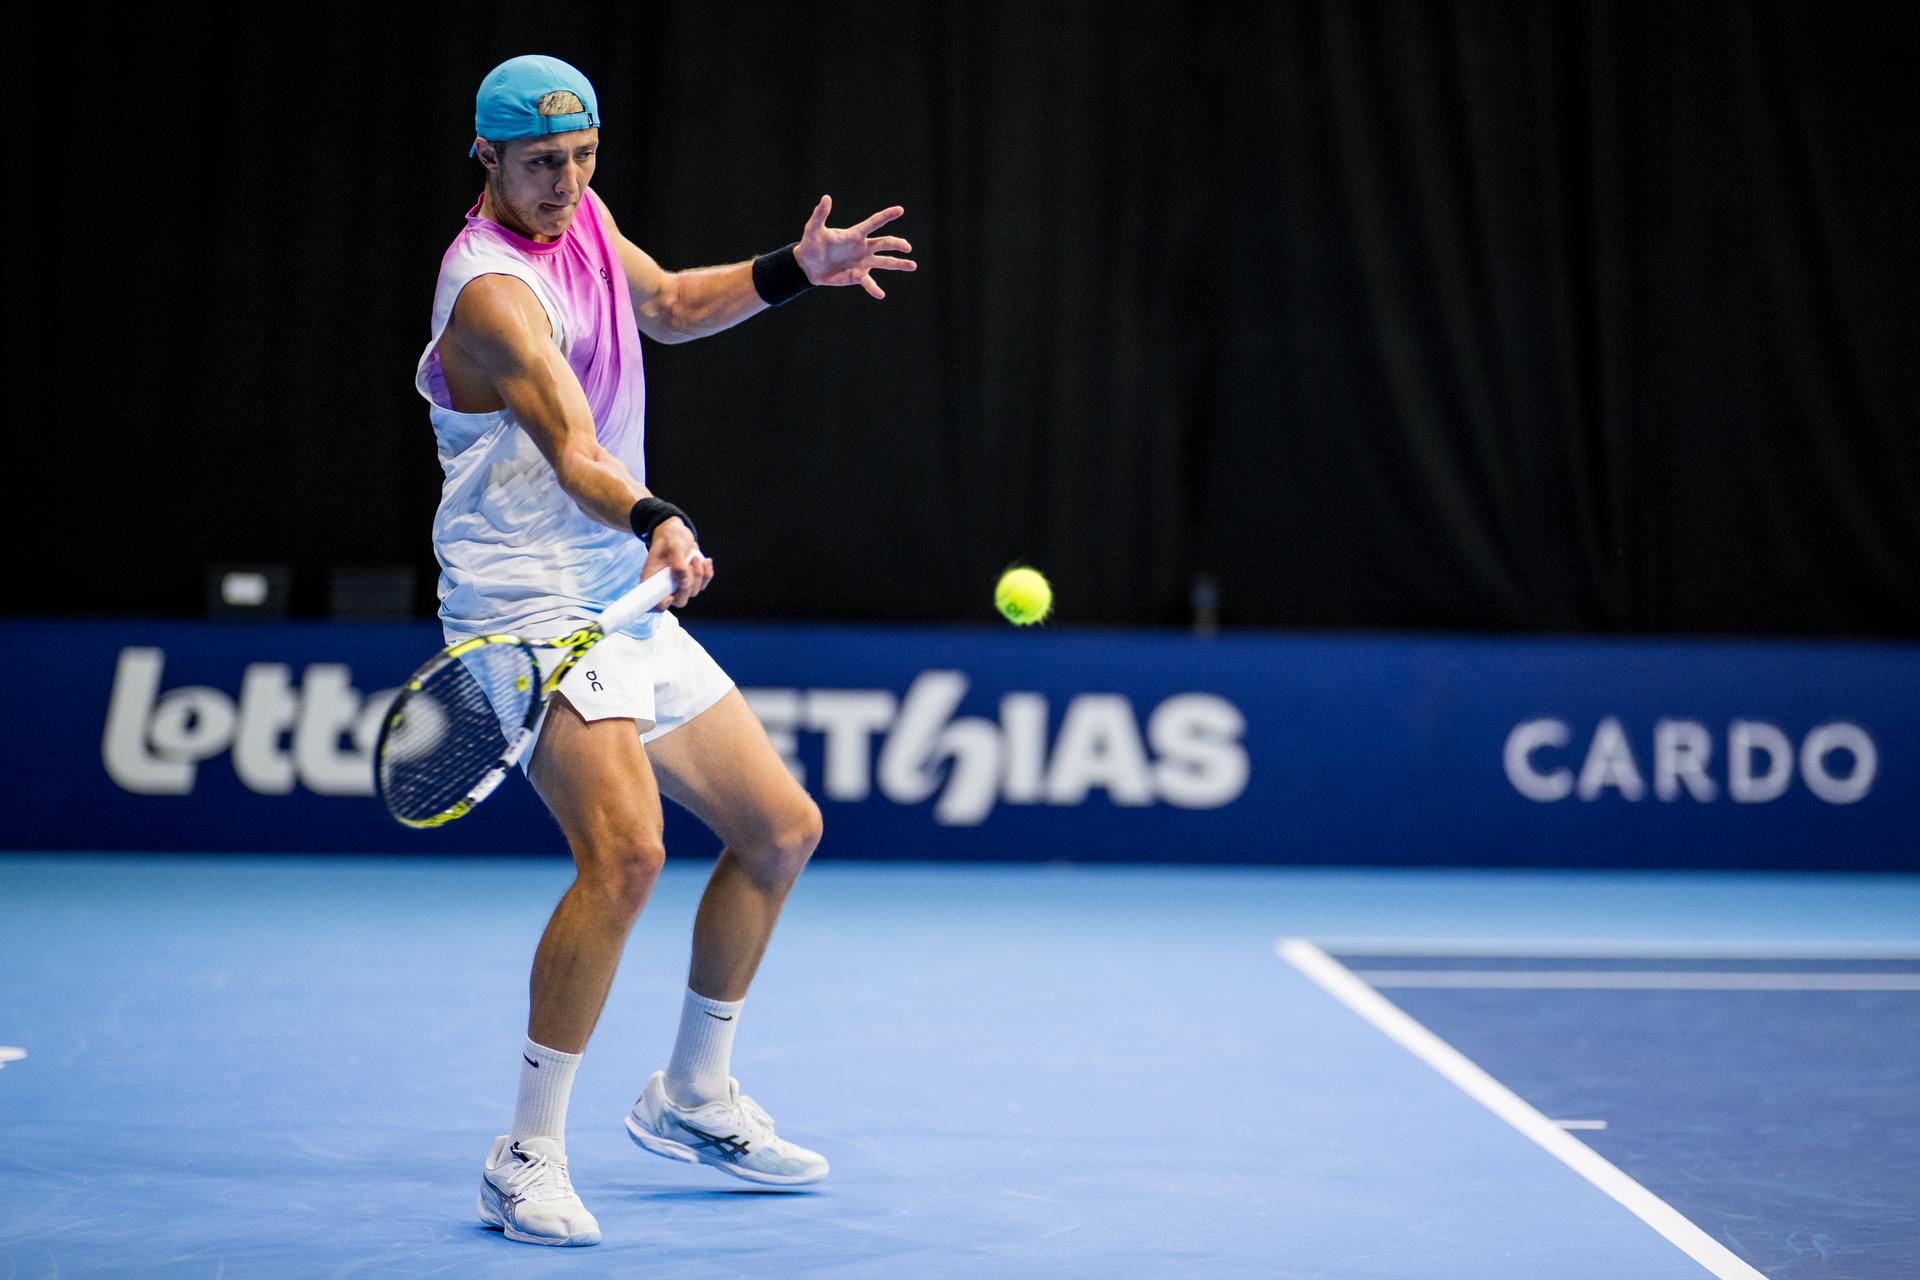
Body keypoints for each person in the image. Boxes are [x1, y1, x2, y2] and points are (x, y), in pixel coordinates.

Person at [411, 54, 915, 1247]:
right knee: (627, 853)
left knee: (781, 827)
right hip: (525, 606)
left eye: (583, 156)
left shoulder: (582, 213)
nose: (567, 181)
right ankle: (523, 1151)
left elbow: (675, 305)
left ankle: (692, 1092)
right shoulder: (489, 292)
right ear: (483, 156)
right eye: (540, 163)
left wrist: (800, 268)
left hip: (613, 591)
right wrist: (659, 517)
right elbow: (580, 453)